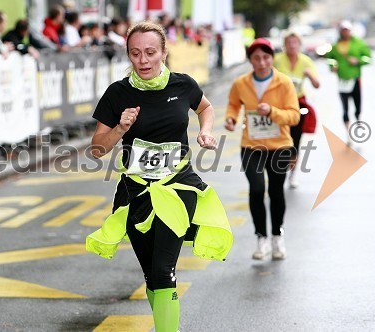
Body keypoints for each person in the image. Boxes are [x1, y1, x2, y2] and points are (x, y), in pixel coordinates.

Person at [86, 21, 233, 332]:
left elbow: (205, 108)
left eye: (151, 52)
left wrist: (205, 132)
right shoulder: (117, 93)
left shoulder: (183, 85)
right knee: (152, 273)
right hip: (136, 191)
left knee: (164, 268)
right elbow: (97, 149)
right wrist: (120, 129)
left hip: (178, 187)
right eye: (136, 53)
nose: (143, 60)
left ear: (164, 52)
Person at [224, 38, 300, 260]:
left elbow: (294, 116)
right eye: (256, 58)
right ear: (250, 60)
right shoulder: (241, 83)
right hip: (252, 145)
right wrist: (230, 118)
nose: (262, 62)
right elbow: (233, 104)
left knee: (276, 192)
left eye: (266, 57)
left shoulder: (284, 83)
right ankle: (261, 238)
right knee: (256, 189)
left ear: (272, 58)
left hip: (280, 146)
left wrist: (272, 112)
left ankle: (277, 236)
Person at [274, 31, 320, 188]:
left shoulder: (306, 61)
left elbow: (317, 84)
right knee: (280, 138)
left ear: (300, 45)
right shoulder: (277, 60)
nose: (292, 46)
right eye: (289, 43)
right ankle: (278, 167)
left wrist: (310, 75)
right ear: (284, 45)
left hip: (298, 103)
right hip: (278, 104)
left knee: (296, 139)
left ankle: (292, 174)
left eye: (295, 43)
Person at [325, 20, 371, 143]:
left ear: (350, 31)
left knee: (357, 107)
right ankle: (348, 133)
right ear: (340, 31)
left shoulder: (359, 43)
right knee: (345, 108)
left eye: (347, 30)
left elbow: (368, 58)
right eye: (343, 30)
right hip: (342, 81)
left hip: (355, 79)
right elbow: (329, 59)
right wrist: (332, 66)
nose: (345, 32)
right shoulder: (335, 46)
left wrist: (358, 61)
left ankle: (357, 118)